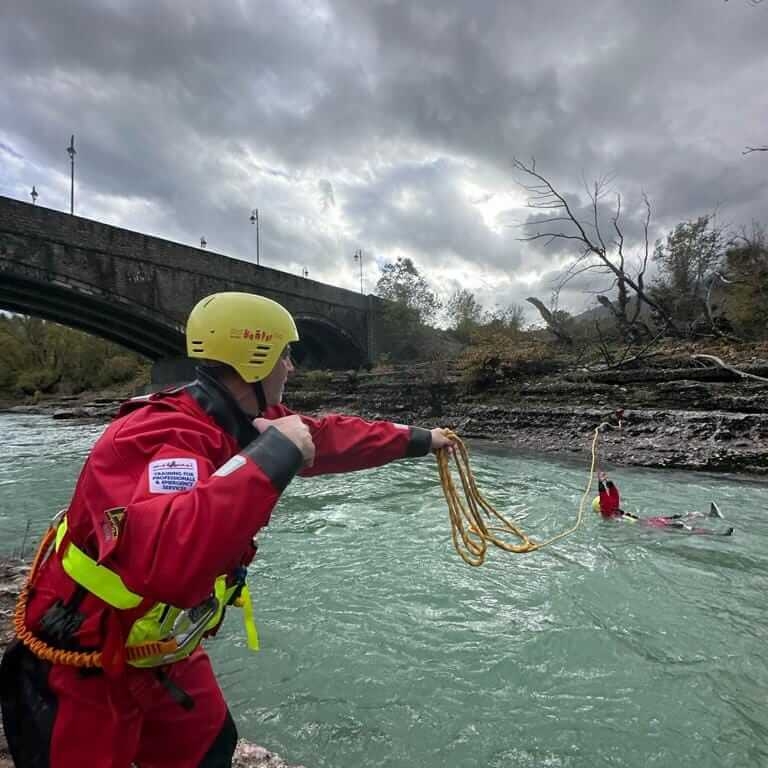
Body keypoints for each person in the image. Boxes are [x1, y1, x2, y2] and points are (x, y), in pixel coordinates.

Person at [0, 292, 455, 768]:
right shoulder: (159, 435)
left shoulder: (239, 420)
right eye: (285, 354)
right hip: (83, 657)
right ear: (254, 360)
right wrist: (273, 458)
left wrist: (423, 440)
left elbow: (331, 437)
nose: (291, 368)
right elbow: (170, 561)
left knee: (209, 750)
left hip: (156, 649)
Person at [592, 471, 731, 534]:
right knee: (680, 526)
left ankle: (710, 515)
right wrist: (600, 483)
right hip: (648, 526)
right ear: (602, 507)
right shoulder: (607, 514)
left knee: (678, 517)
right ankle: (716, 533)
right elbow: (606, 499)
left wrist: (608, 482)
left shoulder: (614, 510)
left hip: (648, 522)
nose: (610, 502)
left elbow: (614, 496)